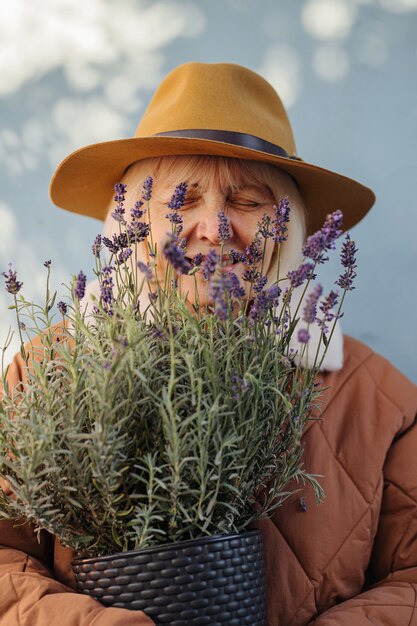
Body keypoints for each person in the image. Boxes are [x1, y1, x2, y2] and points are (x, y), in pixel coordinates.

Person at [0, 62, 416, 626]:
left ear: (288, 225)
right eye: (184, 198)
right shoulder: (47, 371)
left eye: (248, 203)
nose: (214, 226)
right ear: (134, 218)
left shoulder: (380, 399)